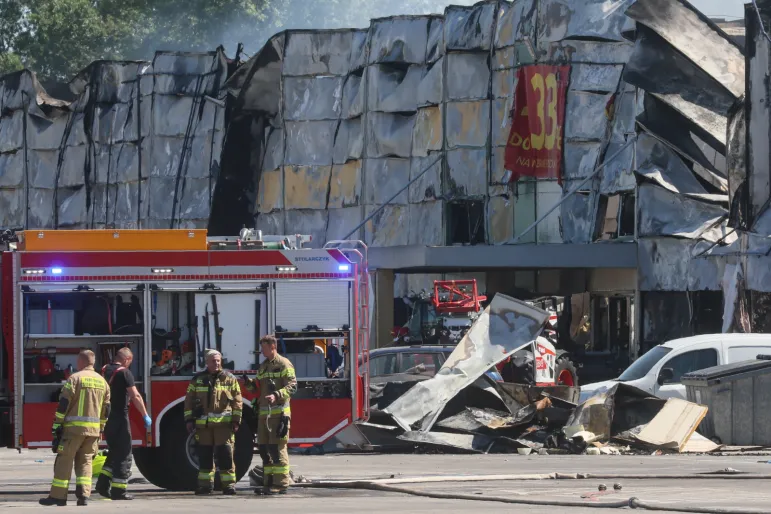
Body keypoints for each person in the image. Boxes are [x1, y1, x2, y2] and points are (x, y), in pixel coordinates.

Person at [39, 350, 111, 507]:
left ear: (81, 362)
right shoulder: (103, 382)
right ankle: (84, 496)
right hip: (93, 431)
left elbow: (63, 404)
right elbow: (106, 409)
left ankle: (58, 496)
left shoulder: (75, 378)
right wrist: (101, 428)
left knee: (65, 460)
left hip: (73, 430)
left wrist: (57, 424)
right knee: (85, 462)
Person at [95, 347, 152, 500]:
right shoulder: (124, 373)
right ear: (127, 359)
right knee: (125, 454)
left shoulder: (103, 370)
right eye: (130, 362)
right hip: (120, 417)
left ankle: (102, 484)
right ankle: (119, 491)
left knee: (114, 451)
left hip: (105, 418)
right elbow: (136, 396)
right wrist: (145, 415)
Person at [184, 349, 242, 495]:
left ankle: (228, 485)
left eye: (218, 360)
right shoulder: (197, 379)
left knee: (226, 455)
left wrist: (236, 420)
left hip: (223, 426)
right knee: (204, 457)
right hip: (204, 427)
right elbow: (189, 401)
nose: (216, 363)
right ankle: (205, 486)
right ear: (206, 362)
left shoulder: (230, 378)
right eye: (213, 361)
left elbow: (237, 401)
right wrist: (189, 420)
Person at [244, 335, 297, 495]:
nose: (262, 351)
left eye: (264, 347)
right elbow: (256, 389)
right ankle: (268, 483)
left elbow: (293, 386)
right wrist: (248, 383)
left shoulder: (283, 364)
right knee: (264, 449)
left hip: (279, 415)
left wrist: (276, 395)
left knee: (277, 448)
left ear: (273, 347)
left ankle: (281, 483)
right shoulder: (264, 366)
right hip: (264, 415)